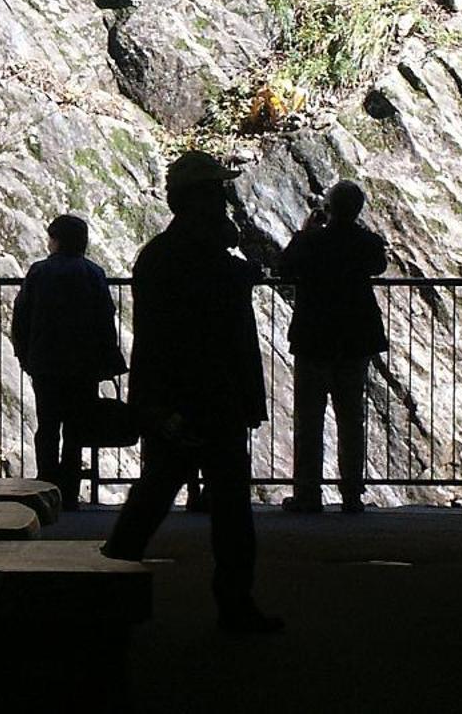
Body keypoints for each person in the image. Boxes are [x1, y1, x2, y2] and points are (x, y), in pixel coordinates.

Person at [103, 151, 282, 633]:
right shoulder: (204, 257)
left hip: (177, 395)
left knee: (155, 492)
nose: (224, 200)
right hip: (209, 394)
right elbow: (217, 318)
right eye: (217, 191)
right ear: (201, 199)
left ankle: (107, 579)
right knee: (226, 507)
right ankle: (234, 603)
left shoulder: (162, 254)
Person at [273, 180, 388, 514]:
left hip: (314, 337)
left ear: (329, 207)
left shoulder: (311, 241)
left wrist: (304, 231)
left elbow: (285, 269)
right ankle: (351, 492)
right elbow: (377, 266)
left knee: (309, 417)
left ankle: (308, 492)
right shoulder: (366, 242)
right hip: (355, 337)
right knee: (351, 417)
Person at [10, 213, 125, 510]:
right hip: (83, 365)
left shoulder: (39, 272)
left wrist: (24, 354)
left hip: (46, 362)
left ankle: (47, 486)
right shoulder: (93, 273)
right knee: (76, 428)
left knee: (47, 426)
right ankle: (70, 490)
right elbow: (104, 318)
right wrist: (108, 358)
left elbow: (21, 315)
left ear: (56, 241)